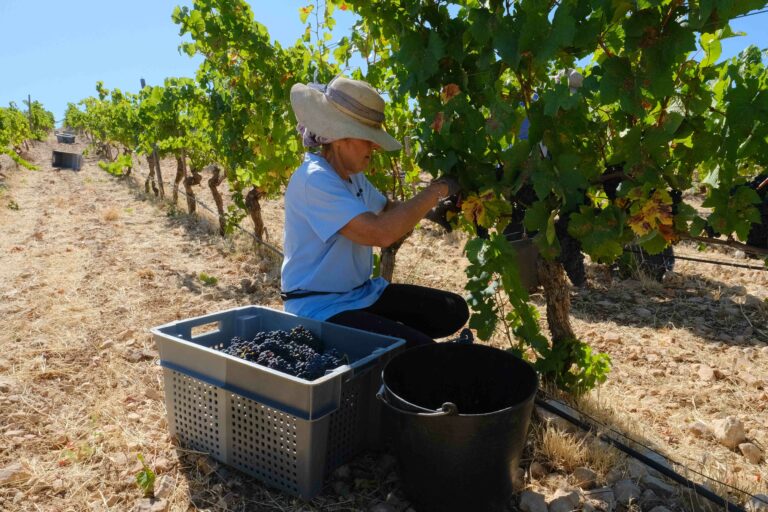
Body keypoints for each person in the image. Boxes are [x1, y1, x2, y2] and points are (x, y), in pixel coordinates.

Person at [281, 76, 469, 348]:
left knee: (452, 310)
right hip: (320, 307)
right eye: (368, 139)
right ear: (338, 137)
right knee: (423, 355)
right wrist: (436, 190)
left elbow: (387, 211)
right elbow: (380, 233)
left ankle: (392, 342)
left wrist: (435, 211)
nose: (375, 147)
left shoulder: (350, 175)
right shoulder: (315, 180)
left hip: (361, 294)